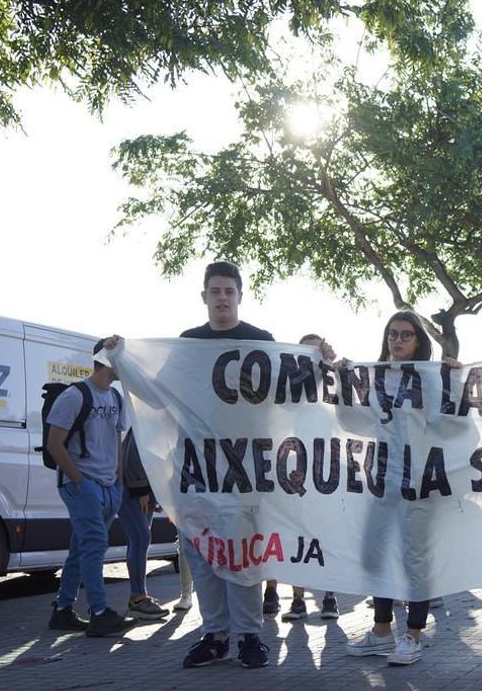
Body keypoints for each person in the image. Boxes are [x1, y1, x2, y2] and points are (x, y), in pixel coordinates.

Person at [177, 261, 276, 669]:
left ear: (239, 296)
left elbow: (294, 388)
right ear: (204, 297)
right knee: (202, 553)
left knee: (244, 553)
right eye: (214, 291)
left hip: (245, 467)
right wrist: (121, 352)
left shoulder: (261, 340)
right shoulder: (186, 344)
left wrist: (320, 359)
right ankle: (214, 634)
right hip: (198, 468)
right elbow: (156, 386)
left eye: (228, 292)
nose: (221, 298)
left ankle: (249, 636)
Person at [344, 312, 438, 666]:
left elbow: (450, 422)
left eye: (406, 335)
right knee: (375, 554)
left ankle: (412, 637)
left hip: (418, 481)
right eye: (392, 334)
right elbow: (350, 420)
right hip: (381, 480)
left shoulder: (430, 379)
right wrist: (340, 379)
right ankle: (381, 631)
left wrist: (453, 380)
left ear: (418, 342)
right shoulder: (376, 379)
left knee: (415, 560)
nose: (397, 341)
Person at [45, 338, 132, 637]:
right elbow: (54, 445)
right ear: (108, 359)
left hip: (108, 486)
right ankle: (99, 612)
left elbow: (116, 440)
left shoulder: (117, 398)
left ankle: (62, 610)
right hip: (83, 484)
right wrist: (80, 482)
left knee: (80, 549)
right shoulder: (74, 396)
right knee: (94, 546)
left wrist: (117, 479)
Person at [267, 334, 341, 622]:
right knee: (297, 534)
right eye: (305, 350)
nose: (311, 354)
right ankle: (298, 599)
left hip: (328, 469)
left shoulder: (333, 382)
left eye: (316, 349)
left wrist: (331, 364)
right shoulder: (288, 387)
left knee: (327, 535)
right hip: (294, 469)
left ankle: (329, 595)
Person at [118, 430, 170, 620]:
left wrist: (156, 494)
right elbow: (133, 457)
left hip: (141, 488)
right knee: (140, 538)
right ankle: (138, 599)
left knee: (139, 540)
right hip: (132, 488)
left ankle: (139, 597)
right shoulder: (150, 416)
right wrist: (142, 491)